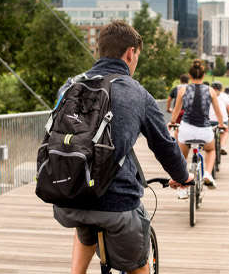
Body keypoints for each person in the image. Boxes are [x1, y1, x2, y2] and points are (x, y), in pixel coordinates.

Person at [53, 20, 193, 274]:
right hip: (118, 206)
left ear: (100, 50)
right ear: (131, 52)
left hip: (68, 198)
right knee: (138, 267)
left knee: (85, 224)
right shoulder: (137, 93)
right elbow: (164, 146)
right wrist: (182, 176)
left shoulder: (70, 86)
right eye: (137, 55)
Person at [170, 59, 226, 197]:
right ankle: (207, 173)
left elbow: (176, 111)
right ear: (203, 75)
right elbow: (218, 112)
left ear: (190, 76)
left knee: (182, 157)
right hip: (204, 130)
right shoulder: (211, 90)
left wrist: (172, 122)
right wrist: (221, 125)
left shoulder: (183, 90)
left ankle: (182, 189)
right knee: (211, 149)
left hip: (186, 129)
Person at [209, 81, 229, 155]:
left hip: (209, 120)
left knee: (209, 130)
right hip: (222, 120)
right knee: (225, 131)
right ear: (221, 89)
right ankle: (222, 146)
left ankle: (208, 144)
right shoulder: (224, 96)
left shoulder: (207, 95)